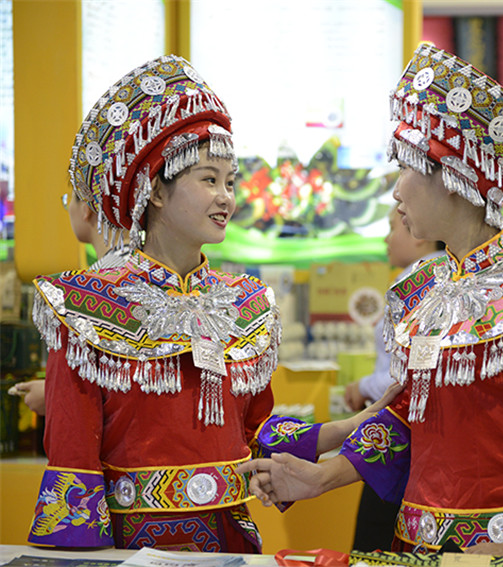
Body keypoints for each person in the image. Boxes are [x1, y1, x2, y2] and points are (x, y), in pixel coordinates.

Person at [238, 44, 503, 560]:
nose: (396, 193)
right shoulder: (422, 288)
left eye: (405, 170)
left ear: (454, 178)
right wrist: (321, 478)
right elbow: (406, 414)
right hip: (415, 543)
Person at [26, 54, 392, 552]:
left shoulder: (245, 302)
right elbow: (72, 453)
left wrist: (342, 431)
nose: (227, 198)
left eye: (230, 181)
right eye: (208, 180)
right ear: (155, 191)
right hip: (132, 549)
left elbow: (255, 430)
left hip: (231, 541)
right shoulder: (86, 304)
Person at [344, 205, 444, 552]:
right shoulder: (429, 279)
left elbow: (402, 377)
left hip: (406, 434)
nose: (387, 239)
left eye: (392, 227)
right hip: (415, 433)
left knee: (378, 541)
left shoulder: (420, 284)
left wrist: (361, 389)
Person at [9, 192, 133, 416]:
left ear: (86, 208)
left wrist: (51, 396)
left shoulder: (88, 289)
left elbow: (98, 386)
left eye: (68, 201)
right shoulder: (156, 269)